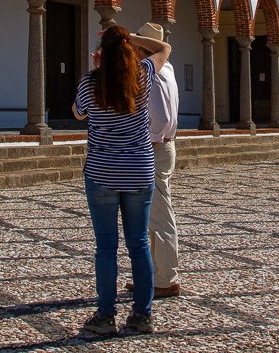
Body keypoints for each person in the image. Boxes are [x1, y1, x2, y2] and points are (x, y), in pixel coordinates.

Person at [72, 24, 171, 335]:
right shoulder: (142, 74)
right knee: (139, 244)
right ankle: (143, 315)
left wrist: (98, 69)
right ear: (128, 49)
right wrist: (130, 37)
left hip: (102, 172)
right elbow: (164, 49)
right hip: (139, 170)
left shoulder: (90, 83)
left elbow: (78, 114)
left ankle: (105, 316)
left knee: (105, 247)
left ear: (102, 54)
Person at [126, 22, 181, 298]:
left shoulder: (151, 71)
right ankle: (153, 274)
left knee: (159, 216)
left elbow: (155, 118)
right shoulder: (167, 69)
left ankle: (166, 278)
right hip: (165, 146)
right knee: (154, 215)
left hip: (155, 148)